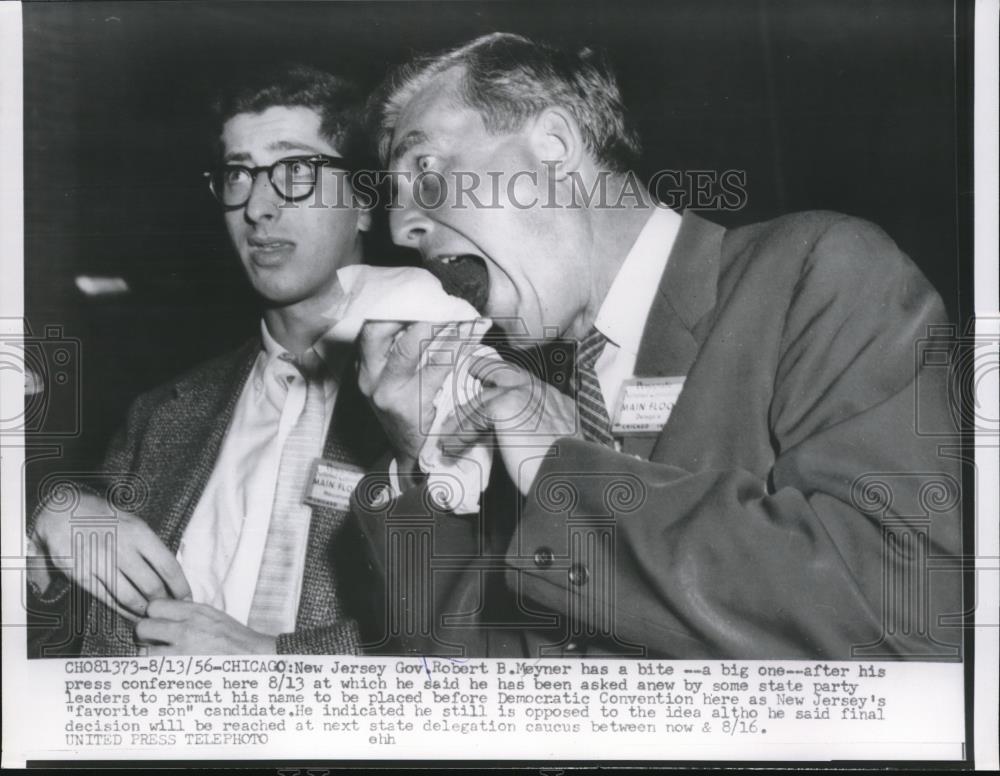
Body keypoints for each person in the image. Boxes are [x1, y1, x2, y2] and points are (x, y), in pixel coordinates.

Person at [352, 33, 963, 659]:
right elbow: (482, 684)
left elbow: (906, 617)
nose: (403, 227)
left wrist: (563, 478)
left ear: (555, 146)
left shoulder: (818, 272)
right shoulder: (529, 396)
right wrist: (422, 460)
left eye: (425, 171)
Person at [26, 64, 384, 656]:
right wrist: (45, 511)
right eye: (238, 174)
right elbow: (69, 636)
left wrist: (272, 667)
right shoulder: (161, 416)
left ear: (365, 202)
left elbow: (474, 635)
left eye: (294, 170)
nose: (258, 207)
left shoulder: (439, 398)